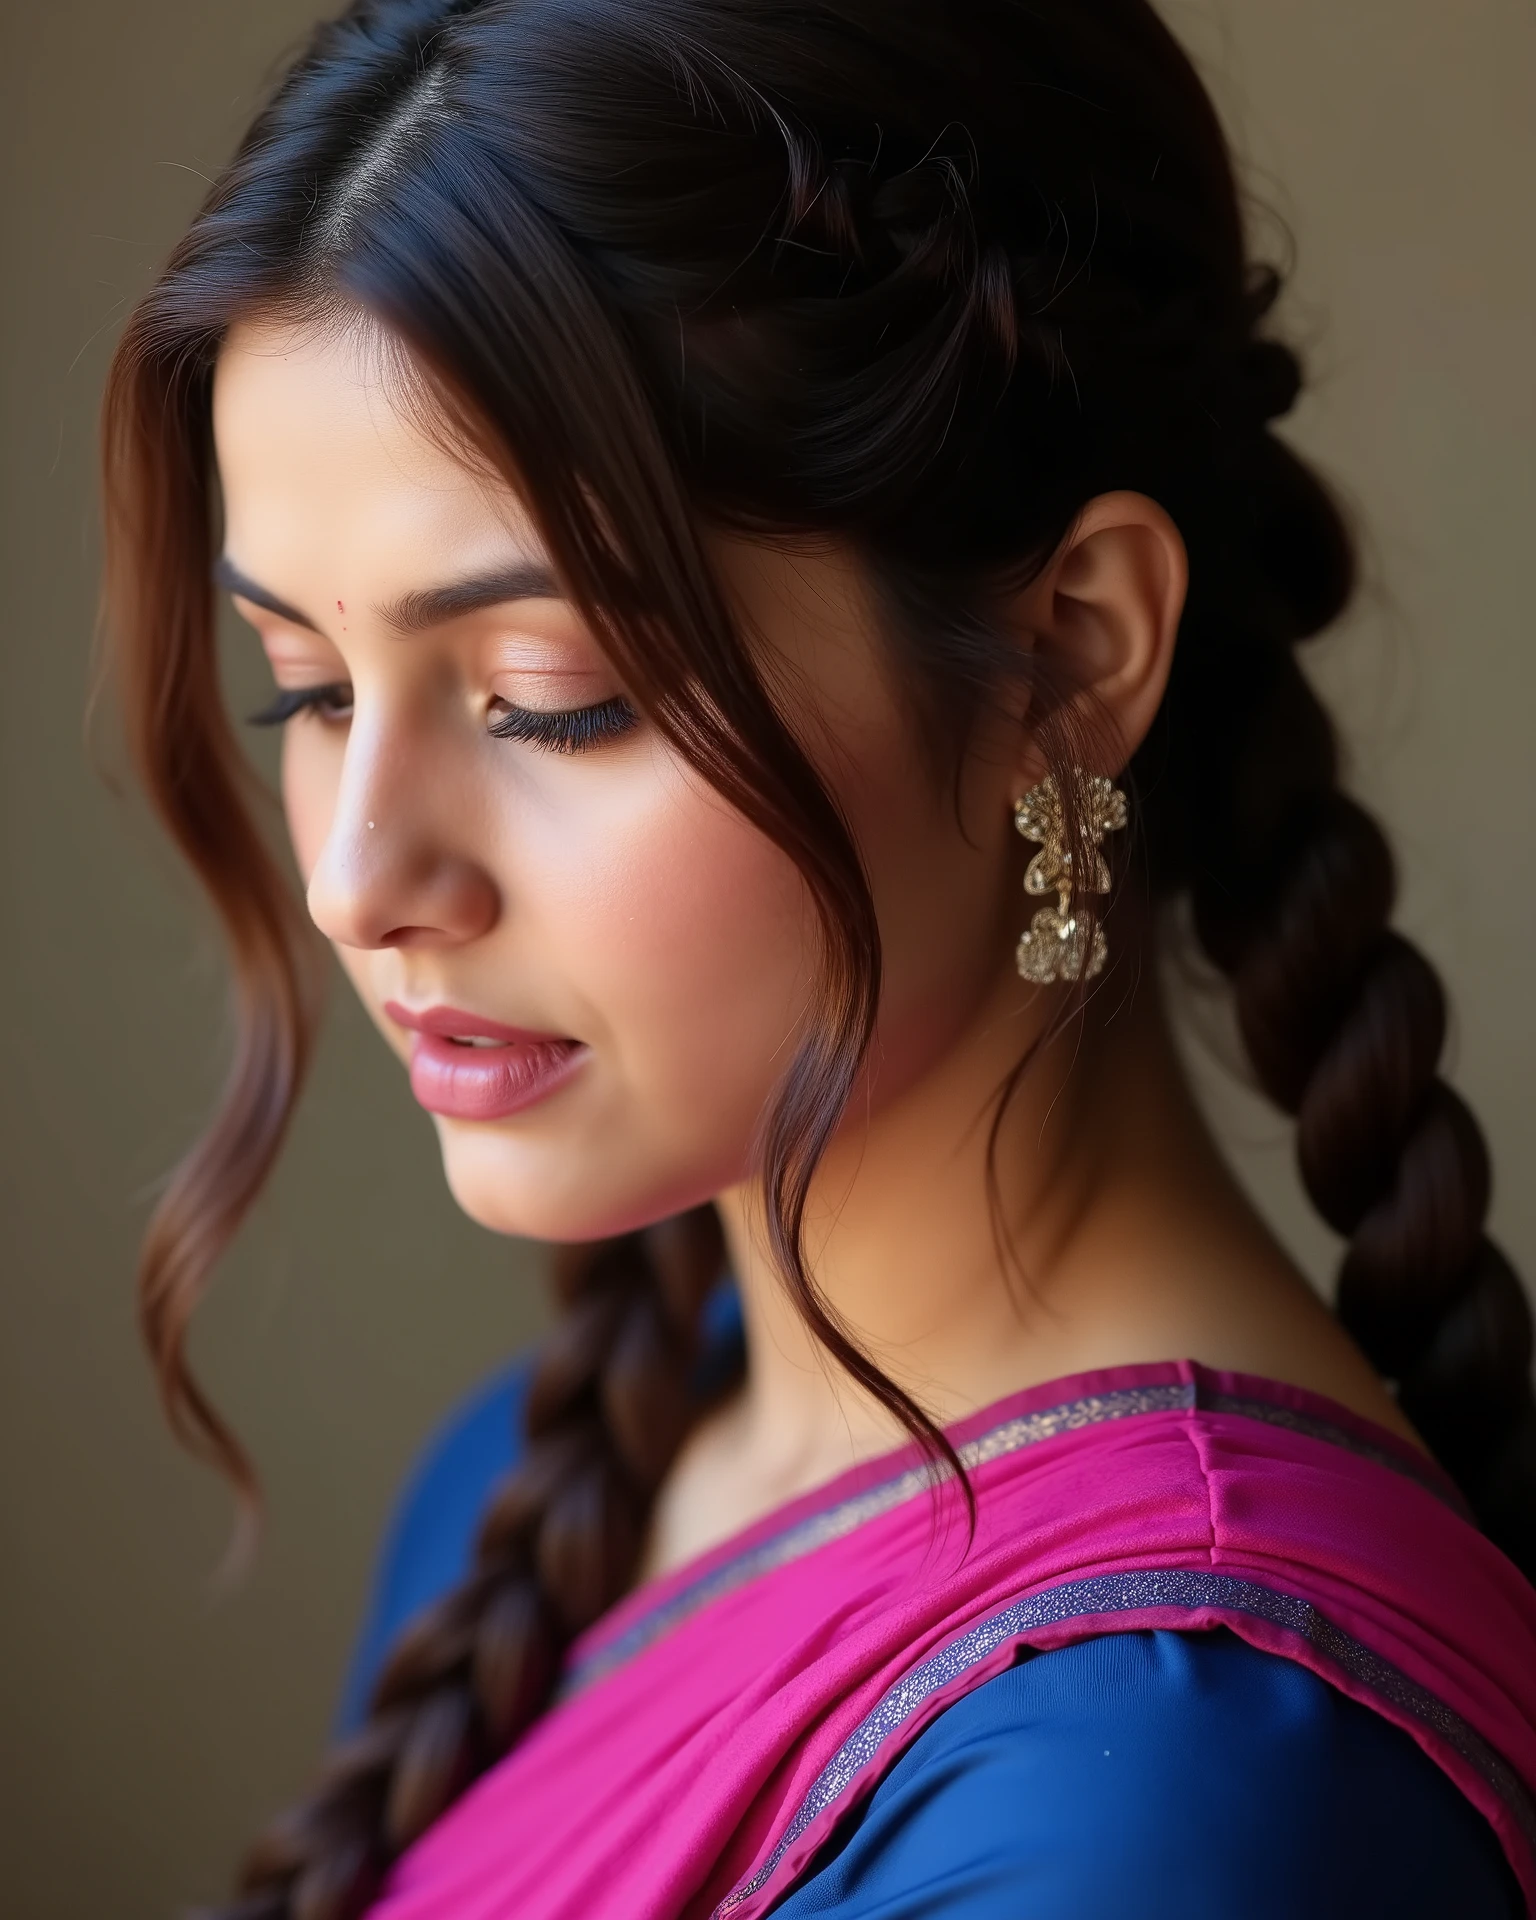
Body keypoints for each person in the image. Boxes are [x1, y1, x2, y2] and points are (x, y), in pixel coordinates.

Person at [100, 2, 1536, 1916]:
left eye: (550, 699)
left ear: (1067, 660)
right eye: (309, 689)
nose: (362, 877)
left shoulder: (1173, 1800)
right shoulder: (533, 1511)